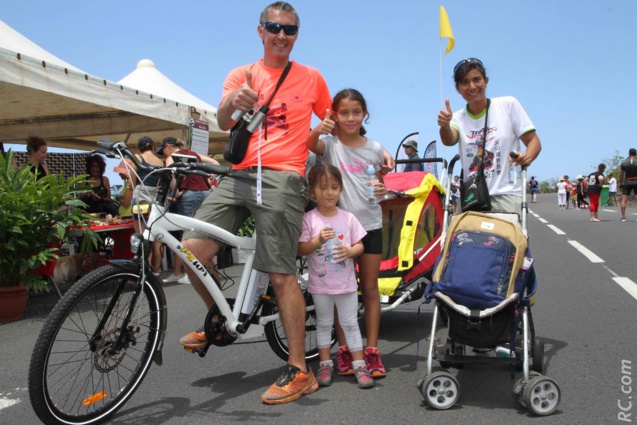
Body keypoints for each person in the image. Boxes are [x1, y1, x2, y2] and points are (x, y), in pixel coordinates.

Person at [179, 2, 332, 405]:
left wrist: (360, 150)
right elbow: (222, 121)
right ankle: (220, 318)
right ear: (260, 30)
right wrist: (234, 101)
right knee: (190, 248)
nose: (282, 35)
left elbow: (333, 122)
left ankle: (300, 370)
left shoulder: (311, 78)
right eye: (274, 27)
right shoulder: (242, 74)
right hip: (241, 174)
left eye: (290, 30)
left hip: (283, 177)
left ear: (297, 35)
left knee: (280, 272)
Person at [306, 88, 389, 379]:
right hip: (337, 230)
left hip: (370, 226)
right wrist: (321, 126)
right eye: (344, 112)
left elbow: (381, 179)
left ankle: (372, 351)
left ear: (365, 114)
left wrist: (383, 187)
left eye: (356, 112)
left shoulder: (375, 148)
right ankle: (343, 350)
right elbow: (308, 142)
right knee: (340, 290)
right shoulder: (329, 145)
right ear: (334, 115)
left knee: (369, 290)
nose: (350, 118)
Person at [298, 164, 374, 389]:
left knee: (350, 324)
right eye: (323, 188)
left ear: (340, 189)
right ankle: (325, 364)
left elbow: (359, 246)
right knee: (324, 324)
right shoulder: (309, 219)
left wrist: (350, 251)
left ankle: (359, 365)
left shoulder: (348, 218)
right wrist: (318, 241)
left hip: (347, 285)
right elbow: (301, 249)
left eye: (334, 187)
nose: (329, 192)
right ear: (313, 192)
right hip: (320, 285)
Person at [437, 58, 541, 214]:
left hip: (507, 194)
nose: (472, 86)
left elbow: (533, 141)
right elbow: (449, 139)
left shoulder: (508, 105)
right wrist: (444, 125)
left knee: (509, 238)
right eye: (465, 82)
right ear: (458, 88)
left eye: (476, 79)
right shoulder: (457, 118)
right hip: (472, 196)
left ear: (486, 81)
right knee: (463, 237)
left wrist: (527, 157)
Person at [158, 137, 219, 284]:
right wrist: (208, 182)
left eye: (163, 151)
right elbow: (216, 164)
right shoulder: (193, 154)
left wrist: (176, 192)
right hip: (205, 192)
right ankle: (213, 271)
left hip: (189, 194)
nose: (164, 154)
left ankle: (191, 273)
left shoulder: (171, 157)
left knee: (188, 235)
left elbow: (171, 174)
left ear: (168, 146)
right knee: (206, 233)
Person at [130, 136, 165, 275]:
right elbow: (160, 182)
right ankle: (156, 271)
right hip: (154, 198)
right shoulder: (160, 162)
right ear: (153, 147)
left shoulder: (137, 158)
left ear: (139, 148)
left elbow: (132, 179)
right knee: (156, 238)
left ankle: (145, 272)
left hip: (139, 198)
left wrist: (135, 190)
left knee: (143, 236)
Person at [620, 148, 637, 222]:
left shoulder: (624, 162)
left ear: (629, 153)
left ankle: (623, 218)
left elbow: (621, 174)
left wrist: (621, 184)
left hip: (627, 181)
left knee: (624, 200)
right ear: (635, 154)